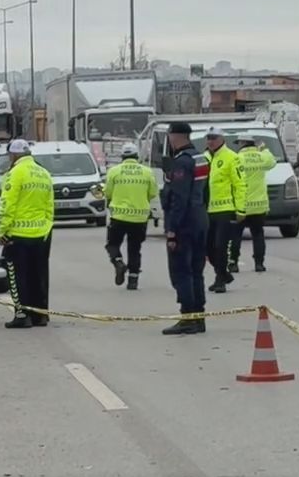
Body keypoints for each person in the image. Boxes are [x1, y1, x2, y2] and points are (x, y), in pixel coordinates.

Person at [0, 138, 54, 329]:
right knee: (39, 275)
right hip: (42, 233)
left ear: (13, 155)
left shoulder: (15, 173)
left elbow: (7, 205)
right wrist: (46, 228)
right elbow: (49, 206)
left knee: (18, 275)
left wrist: (1, 231)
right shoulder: (44, 173)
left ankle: (22, 315)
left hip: (18, 234)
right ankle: (41, 315)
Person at [160, 122, 212, 335]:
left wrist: (172, 230)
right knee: (197, 271)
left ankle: (187, 317)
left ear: (174, 137)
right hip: (200, 219)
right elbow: (206, 191)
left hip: (184, 224)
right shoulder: (200, 158)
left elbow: (178, 199)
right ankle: (198, 317)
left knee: (182, 272)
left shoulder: (181, 163)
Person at [102, 144, 158, 290]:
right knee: (135, 248)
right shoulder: (147, 172)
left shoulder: (114, 171)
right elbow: (152, 193)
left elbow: (107, 192)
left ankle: (119, 262)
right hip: (140, 218)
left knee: (112, 244)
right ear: (137, 156)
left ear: (122, 157)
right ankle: (133, 280)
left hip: (119, 216)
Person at [202, 128, 243, 294]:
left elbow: (240, 185)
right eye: (208, 138)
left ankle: (220, 280)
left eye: (214, 138)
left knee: (220, 246)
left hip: (225, 209)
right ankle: (224, 273)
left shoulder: (232, 157)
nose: (210, 141)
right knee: (208, 248)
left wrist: (240, 209)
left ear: (222, 139)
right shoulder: (203, 158)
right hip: (207, 210)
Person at [231, 134, 275, 274]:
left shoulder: (237, 158)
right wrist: (264, 149)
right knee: (258, 235)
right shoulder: (261, 157)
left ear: (243, 143)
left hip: (241, 205)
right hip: (259, 205)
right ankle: (259, 264)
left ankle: (233, 264)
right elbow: (272, 161)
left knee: (235, 235)